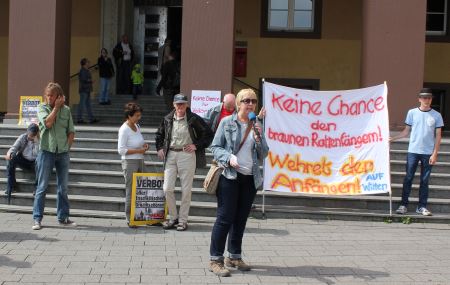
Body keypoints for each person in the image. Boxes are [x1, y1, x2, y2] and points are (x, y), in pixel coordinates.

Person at [208, 89, 269, 277]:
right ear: (239, 103)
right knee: (225, 218)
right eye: (246, 100)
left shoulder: (256, 123)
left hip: (249, 178)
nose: (250, 104)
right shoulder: (227, 123)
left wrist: (259, 137)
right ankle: (215, 259)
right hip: (229, 176)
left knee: (241, 219)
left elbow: (264, 153)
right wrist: (228, 157)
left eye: (253, 101)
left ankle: (234, 256)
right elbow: (215, 147)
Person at [155, 94, 213, 231]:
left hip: (187, 155)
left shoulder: (193, 118)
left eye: (183, 104)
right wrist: (159, 148)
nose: (180, 107)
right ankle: (173, 217)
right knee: (167, 188)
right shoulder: (167, 119)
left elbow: (208, 134)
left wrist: (196, 145)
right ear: (173, 105)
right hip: (171, 154)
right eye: (178, 104)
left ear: (187, 105)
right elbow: (159, 134)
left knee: (186, 189)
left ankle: (183, 220)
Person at [390, 88, 444, 216]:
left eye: (429, 98)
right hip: (413, 151)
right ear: (419, 99)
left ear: (431, 99)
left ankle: (422, 206)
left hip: (428, 152)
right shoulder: (412, 113)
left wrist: (435, 153)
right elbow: (406, 131)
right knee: (408, 178)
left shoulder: (437, 115)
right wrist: (393, 138)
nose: (427, 100)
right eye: (424, 98)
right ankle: (403, 205)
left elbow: (438, 136)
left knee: (425, 181)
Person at [32, 82, 76, 230]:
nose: (49, 98)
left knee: (63, 187)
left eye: (52, 95)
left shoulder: (67, 110)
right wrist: (56, 107)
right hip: (46, 151)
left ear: (59, 96)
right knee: (42, 186)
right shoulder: (42, 108)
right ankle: (37, 219)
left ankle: (63, 217)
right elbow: (48, 123)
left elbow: (71, 131)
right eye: (48, 95)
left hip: (62, 153)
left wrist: (67, 148)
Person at [117, 102, 149, 227]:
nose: (138, 118)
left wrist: (144, 146)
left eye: (139, 115)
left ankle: (144, 215)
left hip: (140, 160)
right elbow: (121, 150)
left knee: (143, 188)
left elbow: (138, 141)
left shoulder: (137, 126)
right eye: (136, 115)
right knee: (131, 189)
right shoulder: (124, 129)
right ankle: (130, 217)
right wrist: (138, 151)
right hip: (129, 162)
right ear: (129, 116)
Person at [5, 123, 40, 196]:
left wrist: (36, 142)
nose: (30, 136)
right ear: (27, 131)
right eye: (29, 134)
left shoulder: (40, 140)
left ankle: (37, 188)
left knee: (40, 162)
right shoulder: (22, 137)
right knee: (11, 159)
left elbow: (38, 154)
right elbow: (14, 147)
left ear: (36, 134)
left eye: (32, 135)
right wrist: (10, 153)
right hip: (23, 160)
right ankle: (11, 186)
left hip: (35, 163)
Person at [77, 58, 98, 124]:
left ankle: (91, 118)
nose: (89, 63)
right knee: (82, 104)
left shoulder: (86, 70)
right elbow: (84, 79)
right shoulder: (82, 71)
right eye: (88, 62)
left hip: (87, 89)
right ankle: (79, 119)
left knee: (88, 104)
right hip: (84, 90)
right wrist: (90, 80)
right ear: (85, 64)